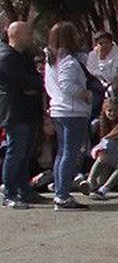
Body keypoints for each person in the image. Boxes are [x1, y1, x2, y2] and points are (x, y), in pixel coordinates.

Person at [44, 22, 94, 210]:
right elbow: (67, 86)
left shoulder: (51, 60)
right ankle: (63, 196)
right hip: (72, 111)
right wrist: (85, 94)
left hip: (59, 109)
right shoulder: (68, 61)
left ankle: (60, 191)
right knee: (70, 154)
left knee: (62, 152)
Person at [1, 21, 45, 209]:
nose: (31, 36)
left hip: (28, 110)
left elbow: (37, 81)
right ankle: (9, 192)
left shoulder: (24, 56)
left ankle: (24, 190)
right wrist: (32, 86)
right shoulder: (6, 57)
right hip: (15, 112)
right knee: (15, 152)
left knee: (25, 153)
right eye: (28, 33)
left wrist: (33, 86)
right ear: (16, 35)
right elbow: (27, 82)